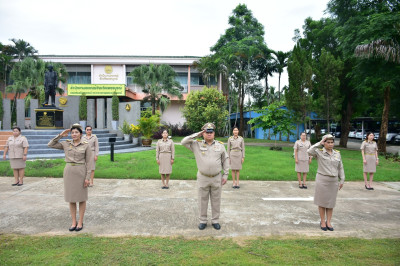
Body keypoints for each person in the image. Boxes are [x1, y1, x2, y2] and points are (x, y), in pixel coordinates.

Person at [181, 122, 229, 230]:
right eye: (206, 132)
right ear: (203, 133)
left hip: (217, 177)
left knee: (216, 200)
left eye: (211, 132)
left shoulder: (220, 145)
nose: (209, 134)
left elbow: (225, 160)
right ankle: (202, 220)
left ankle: (215, 220)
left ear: (214, 134)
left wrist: (225, 175)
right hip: (203, 177)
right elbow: (183, 142)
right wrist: (197, 134)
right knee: (202, 200)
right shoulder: (196, 145)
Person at [48, 124, 93, 232]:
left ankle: (80, 222)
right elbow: (50, 144)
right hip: (69, 172)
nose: (74, 134)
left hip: (81, 171)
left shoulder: (86, 145)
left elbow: (89, 162)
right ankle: (73, 222)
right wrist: (60, 135)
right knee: (71, 198)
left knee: (81, 198)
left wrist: (88, 177)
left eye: (76, 132)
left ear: (81, 134)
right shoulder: (66, 143)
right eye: (72, 132)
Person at [307, 134, 345, 231]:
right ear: (324, 143)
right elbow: (309, 151)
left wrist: (342, 180)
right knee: (322, 202)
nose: (330, 144)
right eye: (328, 142)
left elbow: (340, 167)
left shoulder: (337, 154)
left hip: (333, 181)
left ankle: (329, 221)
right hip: (322, 180)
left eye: (332, 142)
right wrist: (320, 143)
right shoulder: (319, 152)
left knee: (330, 203)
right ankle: (323, 221)